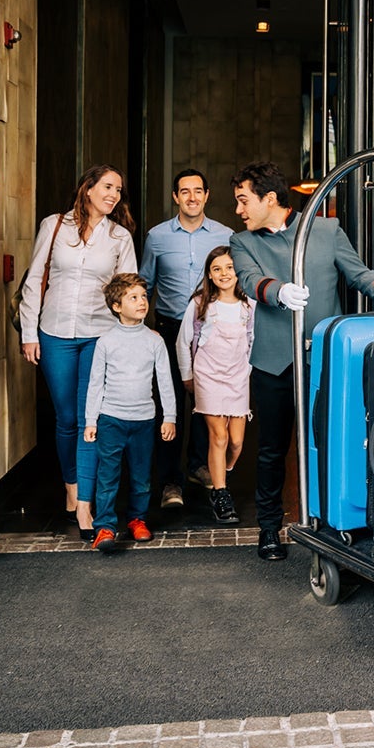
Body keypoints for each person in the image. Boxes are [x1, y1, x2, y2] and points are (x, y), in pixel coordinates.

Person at [228, 161, 374, 560]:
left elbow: (359, 275)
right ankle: (268, 528)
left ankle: (332, 521)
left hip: (324, 360)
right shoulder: (242, 241)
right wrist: (277, 292)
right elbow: (247, 280)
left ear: (270, 198)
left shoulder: (326, 230)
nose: (239, 210)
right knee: (272, 449)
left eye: (244, 200)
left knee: (328, 442)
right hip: (274, 362)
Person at [18, 164, 138, 538]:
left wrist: (129, 340)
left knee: (91, 419)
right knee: (66, 418)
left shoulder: (120, 237)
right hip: (54, 333)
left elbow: (129, 289)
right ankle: (70, 484)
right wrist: (28, 333)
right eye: (107, 186)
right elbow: (35, 278)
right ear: (88, 189)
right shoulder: (54, 225)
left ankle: (84, 503)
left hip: (100, 336)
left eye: (118, 189)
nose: (114, 194)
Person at [139, 168, 233, 509]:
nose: (192, 197)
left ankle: (198, 466)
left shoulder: (226, 236)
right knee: (170, 404)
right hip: (167, 328)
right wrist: (140, 327)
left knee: (206, 402)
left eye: (198, 191)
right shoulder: (157, 236)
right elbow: (145, 283)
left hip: (211, 330)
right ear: (175, 197)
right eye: (184, 191)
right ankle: (169, 482)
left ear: (207, 195)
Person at [83, 273, 177, 553]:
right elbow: (95, 383)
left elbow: (165, 381)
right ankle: (105, 527)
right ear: (116, 306)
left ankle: (137, 519)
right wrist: (91, 420)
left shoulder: (154, 341)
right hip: (111, 420)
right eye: (133, 297)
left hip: (144, 421)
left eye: (143, 296)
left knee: (140, 476)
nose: (141, 302)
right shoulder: (106, 342)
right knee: (108, 475)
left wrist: (169, 416)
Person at [175, 246, 253, 525]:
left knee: (236, 441)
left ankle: (223, 470)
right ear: (209, 274)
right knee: (218, 437)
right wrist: (187, 376)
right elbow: (183, 342)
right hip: (208, 376)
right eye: (217, 269)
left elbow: (252, 341)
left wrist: (248, 371)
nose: (224, 274)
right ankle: (221, 494)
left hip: (237, 377)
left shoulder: (249, 305)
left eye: (230, 267)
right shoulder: (199, 304)